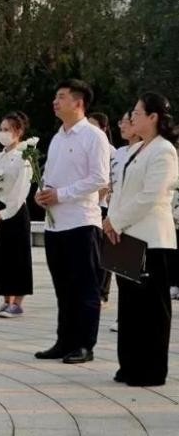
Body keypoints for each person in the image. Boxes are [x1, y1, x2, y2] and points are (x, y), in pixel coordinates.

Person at [103, 92, 178, 387]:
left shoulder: (164, 151)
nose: (131, 117)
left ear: (153, 117)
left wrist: (117, 221)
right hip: (126, 236)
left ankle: (151, 370)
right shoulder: (138, 149)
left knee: (152, 309)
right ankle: (130, 365)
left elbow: (151, 195)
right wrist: (111, 220)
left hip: (150, 238)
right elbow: (121, 191)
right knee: (131, 306)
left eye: (137, 113)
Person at [34, 79, 110, 364]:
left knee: (85, 288)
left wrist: (61, 195)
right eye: (55, 96)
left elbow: (99, 178)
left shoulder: (94, 136)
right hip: (55, 225)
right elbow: (50, 176)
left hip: (81, 223)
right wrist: (42, 194)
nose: (55, 101)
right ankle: (64, 341)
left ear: (79, 102)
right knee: (63, 288)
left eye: (62, 97)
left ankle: (84, 345)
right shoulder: (58, 137)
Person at [0, 112, 33, 318]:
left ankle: (18, 303)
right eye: (1, 129)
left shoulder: (25, 157)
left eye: (7, 129)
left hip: (15, 212)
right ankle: (6, 299)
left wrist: (4, 212)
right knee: (0, 257)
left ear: (18, 132)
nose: (2, 133)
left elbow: (21, 190)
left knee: (18, 256)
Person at [107, 109, 142, 332]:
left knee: (136, 275)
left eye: (127, 121)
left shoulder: (146, 151)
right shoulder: (119, 153)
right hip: (115, 219)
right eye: (120, 121)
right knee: (121, 274)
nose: (122, 125)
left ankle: (136, 317)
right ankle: (124, 317)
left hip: (135, 221)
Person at [89, 112, 116, 305]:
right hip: (88, 208)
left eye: (93, 125)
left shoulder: (111, 151)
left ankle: (102, 292)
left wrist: (94, 200)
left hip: (102, 207)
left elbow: (108, 182)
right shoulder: (85, 147)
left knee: (104, 253)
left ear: (104, 128)